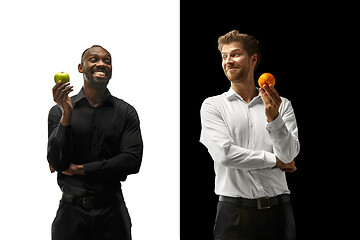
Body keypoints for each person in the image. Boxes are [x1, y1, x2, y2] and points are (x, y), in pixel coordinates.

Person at [200, 30, 300, 240]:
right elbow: (225, 155)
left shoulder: (282, 105)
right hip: (233, 214)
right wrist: (274, 160)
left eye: (235, 54)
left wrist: (274, 118)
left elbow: (289, 154)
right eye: (224, 56)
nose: (228, 61)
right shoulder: (213, 106)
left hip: (280, 212)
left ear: (253, 59)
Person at [47, 45, 143, 240]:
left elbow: (132, 161)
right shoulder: (58, 111)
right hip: (70, 215)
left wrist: (81, 169)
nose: (101, 64)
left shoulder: (126, 112)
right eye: (94, 59)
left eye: (107, 61)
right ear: (81, 68)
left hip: (113, 214)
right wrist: (67, 114)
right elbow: (57, 163)